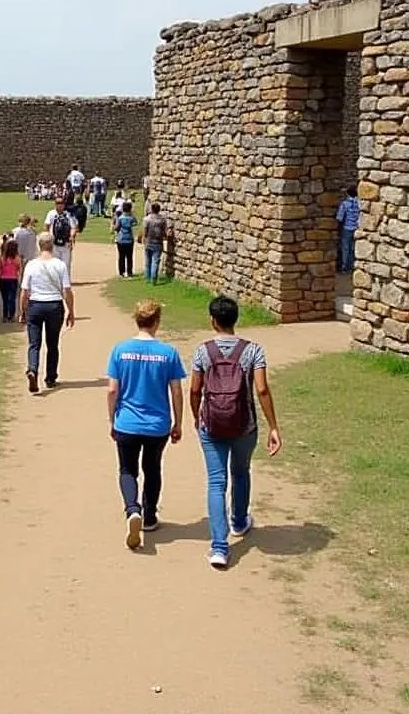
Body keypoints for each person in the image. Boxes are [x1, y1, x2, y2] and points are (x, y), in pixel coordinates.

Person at [189, 296, 282, 569]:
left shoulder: (202, 351)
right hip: (245, 425)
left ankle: (219, 547)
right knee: (241, 472)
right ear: (235, 319)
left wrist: (198, 417)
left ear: (212, 321)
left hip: (212, 423)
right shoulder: (254, 351)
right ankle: (239, 521)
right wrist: (274, 426)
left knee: (216, 482)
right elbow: (262, 389)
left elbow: (195, 390)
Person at [107, 300, 185, 550]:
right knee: (152, 469)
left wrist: (112, 420)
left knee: (127, 470)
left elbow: (111, 390)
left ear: (136, 320)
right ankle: (149, 517)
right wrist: (178, 422)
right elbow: (176, 391)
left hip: (127, 423)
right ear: (157, 322)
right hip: (157, 424)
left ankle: (132, 509)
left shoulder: (120, 350)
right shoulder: (169, 353)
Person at [19, 232, 75, 393]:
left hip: (35, 305)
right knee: (52, 344)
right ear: (52, 246)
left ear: (39, 245)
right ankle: (50, 377)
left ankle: (32, 369)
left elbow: (24, 291)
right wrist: (71, 311)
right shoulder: (59, 265)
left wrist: (23, 310)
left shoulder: (31, 265)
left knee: (34, 344)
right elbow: (67, 291)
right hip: (54, 305)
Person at [44, 197, 78, 275]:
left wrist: (72, 236)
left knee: (66, 264)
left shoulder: (68, 215)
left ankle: (65, 282)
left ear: (64, 205)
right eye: (58, 203)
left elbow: (73, 227)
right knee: (54, 264)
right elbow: (46, 226)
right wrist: (47, 239)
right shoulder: (51, 213)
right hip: (54, 243)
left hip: (66, 243)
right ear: (55, 204)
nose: (60, 205)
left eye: (61, 203)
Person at [141, 202, 170, 284]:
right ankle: (154, 279)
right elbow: (165, 232)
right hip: (158, 242)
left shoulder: (147, 219)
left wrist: (144, 239)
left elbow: (145, 231)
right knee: (155, 261)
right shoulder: (162, 220)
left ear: (151, 209)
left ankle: (148, 277)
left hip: (149, 242)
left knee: (148, 261)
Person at [0, 238, 22, 323]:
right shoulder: (17, 258)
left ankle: (5, 316)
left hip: (3, 279)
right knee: (12, 298)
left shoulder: (2, 258)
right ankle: (11, 316)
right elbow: (19, 268)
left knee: (5, 299)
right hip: (13, 279)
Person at [336, 186, 360, 274]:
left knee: (345, 248)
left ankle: (344, 267)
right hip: (356, 228)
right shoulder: (359, 203)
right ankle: (352, 266)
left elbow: (340, 217)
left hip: (347, 228)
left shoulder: (345, 204)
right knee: (353, 248)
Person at [113, 200, 138, 278]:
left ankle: (122, 272)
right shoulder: (131, 218)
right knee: (129, 257)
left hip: (121, 239)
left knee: (121, 256)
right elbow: (135, 222)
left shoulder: (120, 218)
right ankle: (129, 272)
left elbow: (116, 227)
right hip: (129, 239)